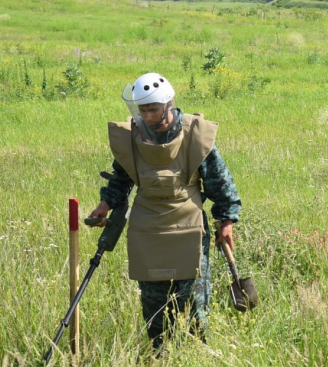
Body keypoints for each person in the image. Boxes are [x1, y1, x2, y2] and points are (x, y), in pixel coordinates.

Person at [87, 72, 241, 351]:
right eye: (142, 110)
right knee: (154, 306)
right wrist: (105, 204)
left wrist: (226, 220)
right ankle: (160, 355)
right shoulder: (132, 138)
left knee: (194, 304)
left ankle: (195, 356)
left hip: (189, 226)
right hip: (148, 230)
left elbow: (219, 181)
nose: (147, 116)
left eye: (153, 109)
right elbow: (121, 179)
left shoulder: (195, 135)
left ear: (169, 103)